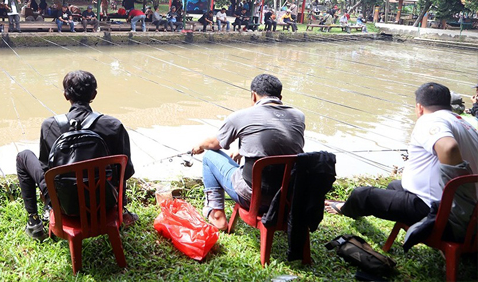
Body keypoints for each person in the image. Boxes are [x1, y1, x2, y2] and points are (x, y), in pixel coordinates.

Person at [327, 83, 478, 226]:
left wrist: (461, 198)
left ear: (419, 107)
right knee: (394, 186)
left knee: (362, 194)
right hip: (465, 209)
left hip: (441, 212)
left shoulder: (430, 119)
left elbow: (449, 148)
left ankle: (342, 208)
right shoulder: (465, 124)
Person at [16, 70, 137, 240]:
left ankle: (34, 222)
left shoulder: (49, 126)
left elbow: (46, 169)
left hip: (65, 206)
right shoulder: (113, 125)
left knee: (24, 156)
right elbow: (127, 171)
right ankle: (122, 210)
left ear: (66, 95)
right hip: (106, 203)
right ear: (94, 94)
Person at [191, 74, 305, 230]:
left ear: (253, 95)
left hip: (251, 199)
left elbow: (213, 143)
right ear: (280, 97)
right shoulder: (298, 116)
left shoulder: (241, 116)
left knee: (210, 155)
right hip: (286, 198)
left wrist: (199, 145)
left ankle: (217, 214)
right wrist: (241, 150)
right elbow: (277, 143)